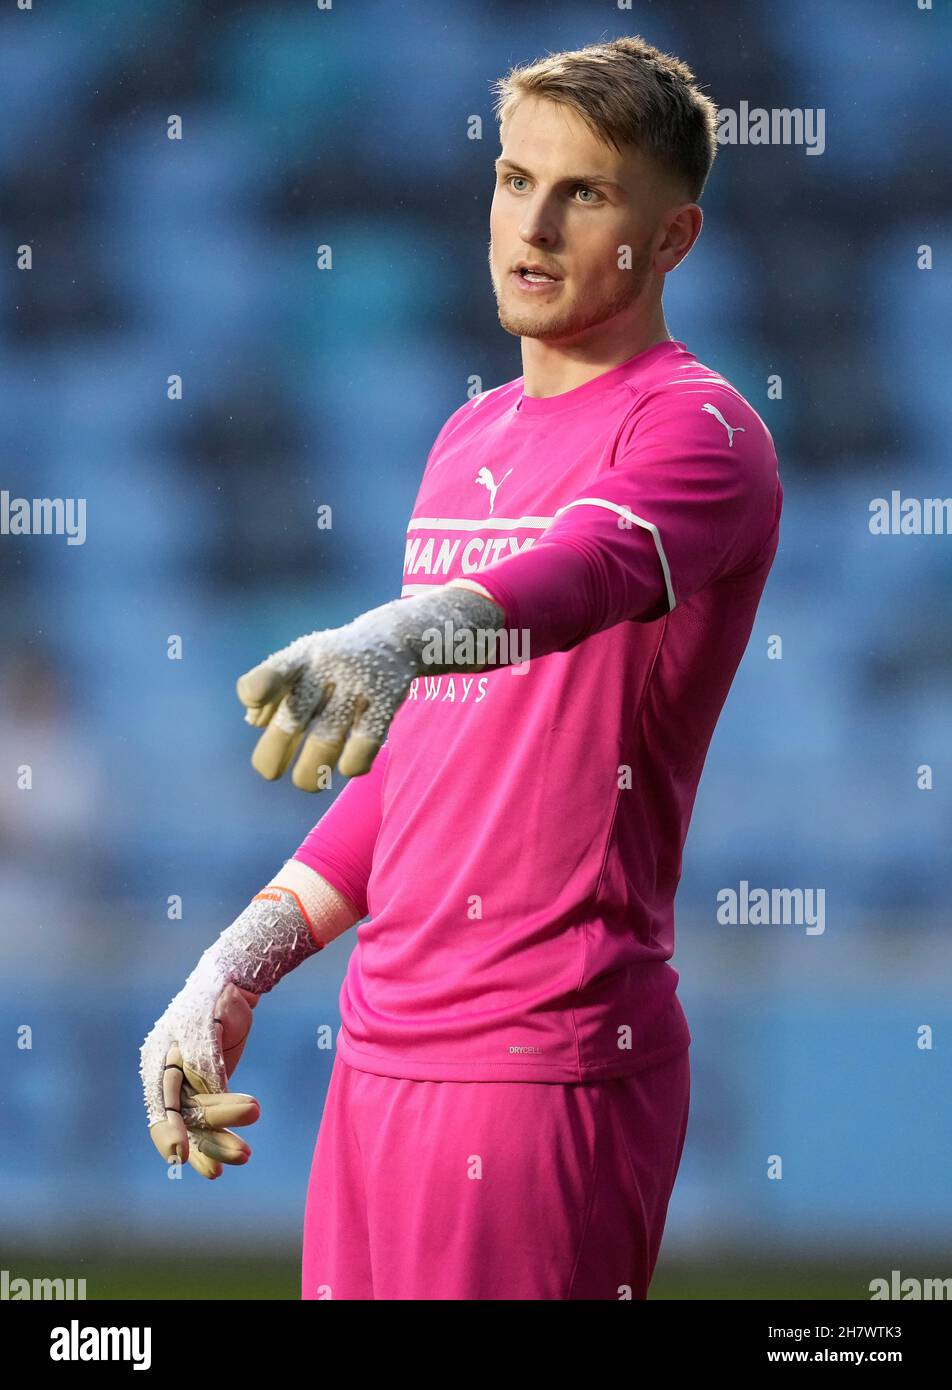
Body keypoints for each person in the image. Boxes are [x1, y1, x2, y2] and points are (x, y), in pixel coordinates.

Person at [140, 34, 782, 1300]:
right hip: (379, 1061)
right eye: (511, 178)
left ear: (673, 240)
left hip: (543, 1067)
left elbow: (582, 573)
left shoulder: (699, 430)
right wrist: (233, 966)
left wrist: (405, 630)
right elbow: (433, 758)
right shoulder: (468, 435)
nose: (530, 223)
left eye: (583, 192)